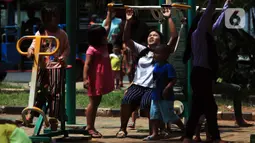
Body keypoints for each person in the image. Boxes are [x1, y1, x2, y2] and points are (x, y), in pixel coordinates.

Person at [116, 7, 178, 138]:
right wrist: (128, 21)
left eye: (155, 35)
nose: (151, 37)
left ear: (160, 39)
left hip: (153, 88)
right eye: (150, 35)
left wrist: (169, 18)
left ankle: (156, 130)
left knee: (146, 106)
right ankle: (122, 129)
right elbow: (126, 39)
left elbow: (174, 36)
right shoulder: (142, 50)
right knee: (126, 101)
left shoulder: (164, 50)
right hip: (138, 85)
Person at [182, 0, 231, 142]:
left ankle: (188, 136)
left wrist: (226, 5)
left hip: (204, 74)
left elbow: (219, 23)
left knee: (198, 108)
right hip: (200, 74)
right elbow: (206, 17)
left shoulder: (208, 34)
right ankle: (214, 138)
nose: (211, 22)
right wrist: (212, 3)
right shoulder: (198, 34)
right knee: (210, 107)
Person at [18, 4, 70, 127]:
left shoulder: (62, 34)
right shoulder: (40, 33)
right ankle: (31, 115)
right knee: (38, 91)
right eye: (51, 18)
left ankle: (53, 116)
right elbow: (33, 44)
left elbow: (67, 48)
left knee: (55, 93)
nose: (54, 20)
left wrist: (63, 57)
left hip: (56, 66)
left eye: (55, 17)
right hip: (42, 67)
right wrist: (30, 50)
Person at [83, 8, 114, 138]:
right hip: (94, 79)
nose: (106, 37)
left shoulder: (103, 45)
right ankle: (90, 127)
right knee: (93, 103)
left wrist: (109, 13)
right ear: (97, 38)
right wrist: (85, 79)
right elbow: (87, 65)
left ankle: (90, 125)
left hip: (101, 78)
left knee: (96, 102)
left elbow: (106, 25)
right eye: (103, 36)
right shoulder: (92, 49)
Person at [143, 44, 185, 141]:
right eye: (154, 53)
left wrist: (167, 88)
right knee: (154, 115)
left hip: (165, 97)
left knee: (170, 116)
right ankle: (155, 133)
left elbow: (173, 79)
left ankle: (184, 130)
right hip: (155, 95)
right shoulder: (155, 65)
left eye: (157, 53)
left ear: (165, 55)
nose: (155, 55)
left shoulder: (168, 66)